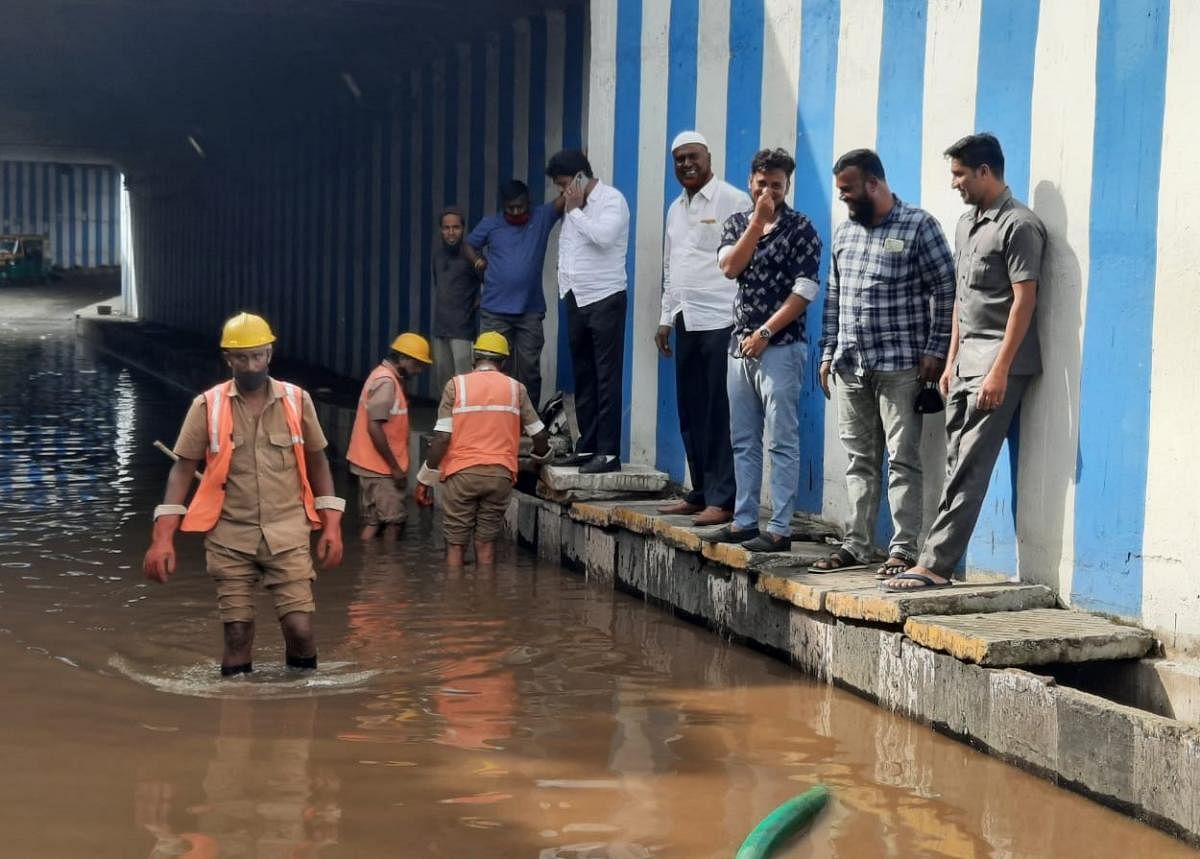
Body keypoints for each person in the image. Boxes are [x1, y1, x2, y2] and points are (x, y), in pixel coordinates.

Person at [884, 133, 1046, 591]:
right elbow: (960, 299)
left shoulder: (1020, 226)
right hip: (966, 364)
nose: (954, 183)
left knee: (970, 466)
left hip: (999, 365)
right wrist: (952, 359)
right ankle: (939, 560)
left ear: (984, 172)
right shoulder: (965, 224)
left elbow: (1023, 303)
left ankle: (935, 565)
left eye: (959, 174)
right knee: (954, 463)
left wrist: (998, 370)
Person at [142, 312, 345, 675]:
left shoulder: (297, 401)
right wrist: (162, 539)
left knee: (300, 630)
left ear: (270, 354)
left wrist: (331, 525)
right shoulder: (207, 405)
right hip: (229, 538)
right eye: (241, 357)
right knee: (237, 633)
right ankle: (234, 717)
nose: (251, 365)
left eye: (258, 356)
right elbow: (182, 470)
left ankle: (302, 712)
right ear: (228, 359)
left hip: (289, 535)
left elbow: (318, 463)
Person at [812, 149, 955, 577]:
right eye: (840, 192)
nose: (844, 199)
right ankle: (856, 545)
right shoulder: (844, 233)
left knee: (903, 458)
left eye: (849, 191)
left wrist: (936, 349)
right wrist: (827, 351)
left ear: (874, 183)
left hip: (901, 367)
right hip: (851, 365)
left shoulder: (919, 226)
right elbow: (834, 295)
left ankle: (903, 551)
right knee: (859, 459)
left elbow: (946, 290)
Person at [709, 148, 822, 553]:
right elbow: (729, 268)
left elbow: (805, 291)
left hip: (781, 346)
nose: (769, 190)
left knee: (782, 439)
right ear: (750, 183)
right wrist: (757, 222)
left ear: (787, 185)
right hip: (739, 346)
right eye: (763, 183)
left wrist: (766, 333)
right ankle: (743, 520)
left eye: (777, 184)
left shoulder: (802, 228)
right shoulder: (739, 222)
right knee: (743, 438)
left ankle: (779, 529)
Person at [655, 130, 750, 527]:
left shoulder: (733, 200)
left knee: (718, 411)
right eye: (679, 159)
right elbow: (670, 264)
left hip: (721, 318)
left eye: (693, 156)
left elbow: (746, 259)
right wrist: (664, 317)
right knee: (690, 409)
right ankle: (698, 491)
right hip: (685, 318)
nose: (686, 165)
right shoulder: (676, 208)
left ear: (708, 157)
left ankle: (722, 498)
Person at [415, 332, 550, 568]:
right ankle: (486, 600)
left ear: (473, 358)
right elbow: (539, 434)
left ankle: (454, 598)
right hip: (501, 476)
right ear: (504, 362)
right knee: (486, 543)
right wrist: (540, 458)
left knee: (456, 544)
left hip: (461, 475)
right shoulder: (516, 389)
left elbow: (442, 438)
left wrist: (425, 478)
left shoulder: (456, 386)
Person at [546, 149, 631, 475]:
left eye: (565, 183)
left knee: (606, 376)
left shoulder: (611, 200)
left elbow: (604, 238)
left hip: (605, 297)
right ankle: (589, 447)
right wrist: (564, 288)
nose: (562, 191)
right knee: (584, 375)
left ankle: (609, 453)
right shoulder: (573, 206)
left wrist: (576, 211)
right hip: (576, 298)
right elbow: (569, 250)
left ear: (580, 177)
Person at [462, 180, 564, 408]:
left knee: (529, 368)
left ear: (529, 202)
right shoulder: (491, 224)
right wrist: (477, 260)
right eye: (511, 208)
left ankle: (528, 421)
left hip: (530, 310)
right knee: (492, 366)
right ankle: (495, 415)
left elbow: (566, 198)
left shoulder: (541, 217)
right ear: (503, 206)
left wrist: (581, 171)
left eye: (520, 207)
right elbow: (468, 244)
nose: (516, 212)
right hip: (494, 310)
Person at [346, 332, 432, 541]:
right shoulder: (386, 382)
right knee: (394, 522)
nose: (419, 370)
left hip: (371, 464)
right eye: (417, 364)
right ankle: (388, 570)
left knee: (374, 521)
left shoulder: (383, 376)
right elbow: (374, 427)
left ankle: (366, 566)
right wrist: (394, 468)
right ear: (402, 359)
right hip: (380, 468)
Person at [431, 207, 480, 388]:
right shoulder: (437, 256)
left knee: (464, 385)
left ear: (463, 229)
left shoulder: (471, 256)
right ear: (440, 230)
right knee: (444, 385)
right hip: (440, 330)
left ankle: (464, 418)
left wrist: (475, 303)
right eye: (446, 227)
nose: (451, 232)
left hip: (463, 332)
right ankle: (446, 417)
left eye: (456, 227)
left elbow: (489, 284)